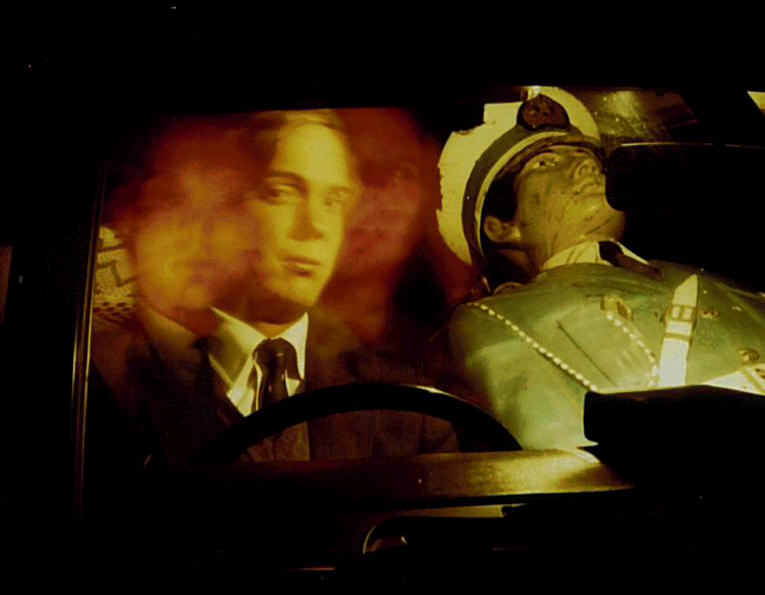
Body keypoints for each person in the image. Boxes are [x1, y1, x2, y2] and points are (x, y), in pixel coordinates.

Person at [91, 109, 456, 468]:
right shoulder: (117, 381)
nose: (315, 226)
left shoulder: (407, 405)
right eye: (282, 192)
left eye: (334, 200)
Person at [438, 87, 765, 450]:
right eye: (545, 163)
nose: (586, 166)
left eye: (584, 156)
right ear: (501, 227)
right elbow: (552, 449)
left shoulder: (714, 279)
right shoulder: (497, 320)